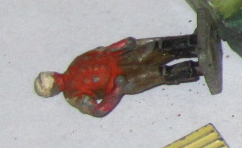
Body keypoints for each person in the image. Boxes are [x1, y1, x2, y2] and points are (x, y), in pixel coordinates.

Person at [35, 35, 202, 118]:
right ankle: (198, 68)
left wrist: (122, 45)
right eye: (49, 82)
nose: (53, 78)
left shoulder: (76, 63)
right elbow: (98, 110)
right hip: (124, 79)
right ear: (52, 91)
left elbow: (103, 51)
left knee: (158, 48)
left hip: (123, 58)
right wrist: (117, 90)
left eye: (48, 76)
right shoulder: (74, 95)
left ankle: (195, 42)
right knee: (160, 74)